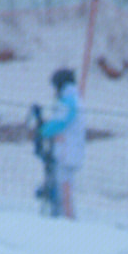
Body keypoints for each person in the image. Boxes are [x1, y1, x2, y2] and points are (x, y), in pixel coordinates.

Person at [39, 68, 85, 218]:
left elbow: (60, 122)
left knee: (64, 187)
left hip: (67, 152)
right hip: (68, 150)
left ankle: (68, 218)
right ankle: (63, 216)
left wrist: (43, 130)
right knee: (62, 186)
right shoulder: (72, 99)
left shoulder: (69, 101)